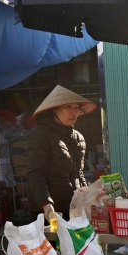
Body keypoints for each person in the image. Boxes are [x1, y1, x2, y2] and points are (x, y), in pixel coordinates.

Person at [27, 85, 96, 220]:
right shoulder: (40, 134)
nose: (73, 112)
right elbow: (36, 173)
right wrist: (46, 204)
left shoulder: (78, 137)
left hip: (73, 208)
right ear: (54, 110)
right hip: (48, 211)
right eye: (68, 107)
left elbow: (78, 173)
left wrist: (88, 196)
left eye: (76, 107)